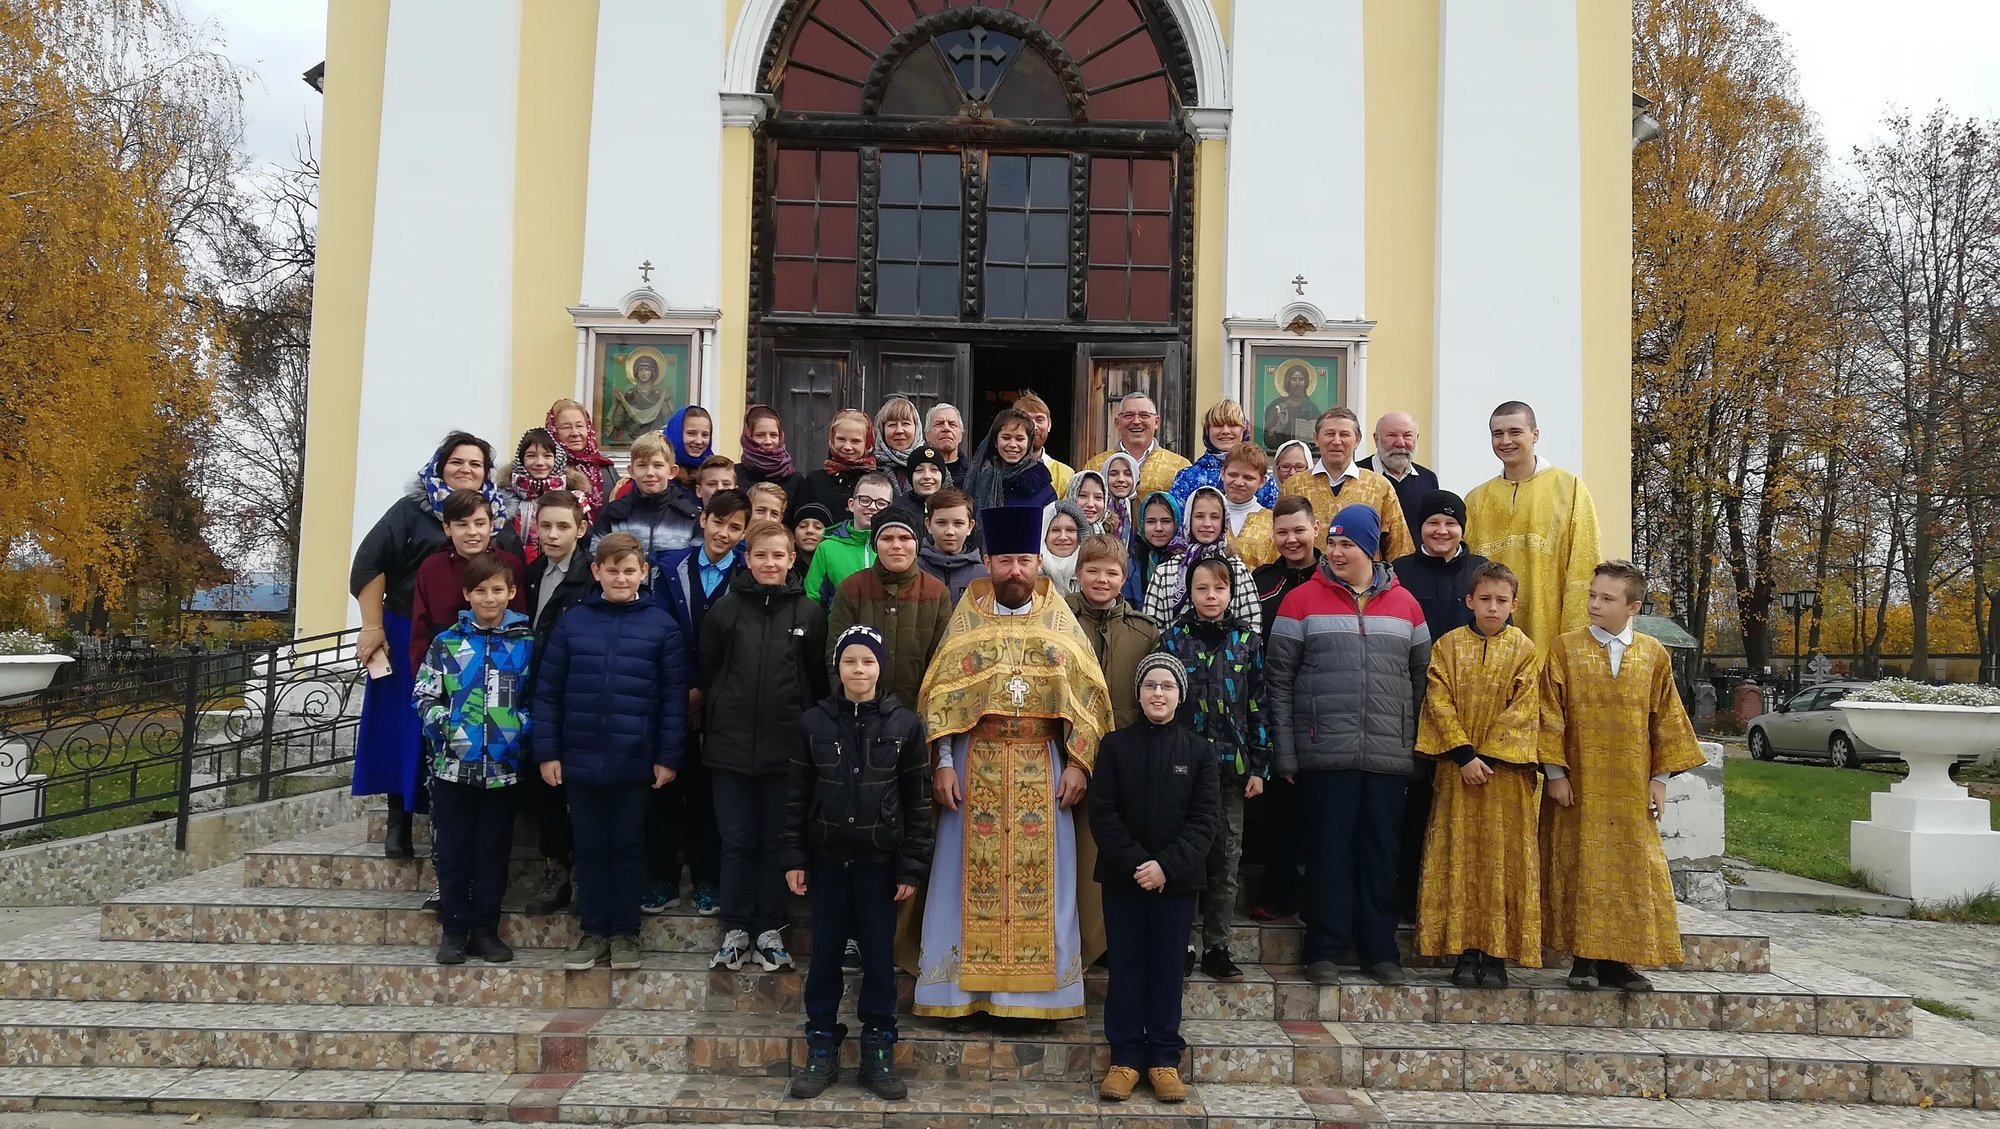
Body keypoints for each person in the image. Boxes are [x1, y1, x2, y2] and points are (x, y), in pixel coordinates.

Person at [907, 506, 1113, 1020]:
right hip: (974, 768)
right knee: (961, 883)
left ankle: (1033, 1001)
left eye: (1024, 559)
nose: (1014, 571)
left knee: (1047, 885)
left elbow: (1090, 699)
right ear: (986, 560)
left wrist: (1078, 765)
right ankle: (958, 995)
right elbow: (940, 702)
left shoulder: (1059, 621)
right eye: (1004, 561)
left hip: (1043, 767)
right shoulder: (967, 619)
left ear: (1040, 561)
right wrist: (944, 763)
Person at [1267, 504, 1430, 987]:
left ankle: (1379, 951)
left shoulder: (1408, 606)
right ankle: (1324, 948)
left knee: (1381, 853)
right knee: (1327, 852)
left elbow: (1422, 684)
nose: (1336, 552)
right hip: (1324, 752)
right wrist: (1286, 750)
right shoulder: (1301, 601)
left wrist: (1416, 748)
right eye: (1332, 543)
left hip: (1387, 754)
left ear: (1370, 548)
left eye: (1347, 544)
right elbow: (1278, 682)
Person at [351, 431, 521, 856]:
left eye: (476, 464)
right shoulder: (412, 511)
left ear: (486, 474)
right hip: (412, 631)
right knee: (405, 725)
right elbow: (370, 563)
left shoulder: (495, 519)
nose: (466, 470)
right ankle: (399, 820)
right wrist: (372, 627)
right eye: (457, 462)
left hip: (483, 647)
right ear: (440, 465)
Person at [782, 624, 933, 1102]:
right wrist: (793, 856)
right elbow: (795, 798)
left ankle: (878, 1050)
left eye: (868, 661)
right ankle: (821, 1045)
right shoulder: (813, 723)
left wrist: (910, 865)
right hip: (827, 861)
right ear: (838, 667)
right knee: (824, 956)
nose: (859, 670)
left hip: (880, 865)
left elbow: (918, 802)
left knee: (879, 961)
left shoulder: (904, 725)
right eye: (850, 661)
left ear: (880, 668)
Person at [1540, 560, 1704, 993]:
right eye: (1592, 594)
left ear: (1632, 607)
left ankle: (1620, 962)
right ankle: (1584, 959)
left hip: (1632, 783)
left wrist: (1660, 778)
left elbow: (1666, 720)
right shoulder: (1565, 648)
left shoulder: (1653, 655)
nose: (1594, 604)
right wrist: (1555, 772)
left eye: (1606, 598)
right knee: (1583, 864)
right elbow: (1548, 714)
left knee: (1631, 869)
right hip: (1581, 782)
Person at [532, 533, 686, 972]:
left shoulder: (662, 626)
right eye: (612, 570)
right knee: (590, 847)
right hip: (579, 761)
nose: (621, 577)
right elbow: (548, 693)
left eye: (629, 570)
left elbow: (672, 700)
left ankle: (625, 933)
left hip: (635, 761)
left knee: (628, 846)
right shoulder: (573, 623)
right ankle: (593, 931)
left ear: (644, 573)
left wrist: (667, 756)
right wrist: (548, 752)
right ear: (596, 572)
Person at [1089, 653, 1219, 1105]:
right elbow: (1102, 814)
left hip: (1176, 884)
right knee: (1125, 967)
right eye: (1150, 686)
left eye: (1167, 686)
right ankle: (1124, 1059)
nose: (1158, 694)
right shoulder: (1114, 746)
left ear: (1180, 694)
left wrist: (1166, 866)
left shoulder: (1200, 752)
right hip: (1124, 881)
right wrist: (1137, 865)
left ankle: (1164, 1060)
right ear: (1139, 692)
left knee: (1166, 970)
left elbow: (1204, 821)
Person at [700, 519, 829, 973]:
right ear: (747, 558)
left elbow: (817, 680)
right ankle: (736, 928)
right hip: (730, 750)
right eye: (760, 555)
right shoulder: (725, 611)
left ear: (792, 559)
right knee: (736, 841)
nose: (769, 563)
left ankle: (771, 928)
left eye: (779, 555)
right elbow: (709, 670)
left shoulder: (809, 615)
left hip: (787, 750)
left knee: (779, 840)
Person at [1415, 561, 1544, 988]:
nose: (1492, 607)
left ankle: (1497, 952)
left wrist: (1489, 756)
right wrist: (1465, 755)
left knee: (1501, 862)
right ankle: (1464, 950)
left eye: (1501, 601)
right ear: (1469, 600)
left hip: (1504, 777)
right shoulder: (1448, 647)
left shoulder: (1524, 650)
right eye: (1484, 599)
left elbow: (1525, 709)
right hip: (1458, 772)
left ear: (1514, 604)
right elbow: (1438, 699)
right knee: (1459, 857)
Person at [413, 553, 532, 966]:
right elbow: (424, 695)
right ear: (467, 594)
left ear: (511, 593)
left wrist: (519, 730)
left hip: (503, 769)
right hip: (453, 767)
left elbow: (537, 699)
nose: (489, 597)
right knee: (454, 849)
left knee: (492, 851)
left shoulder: (524, 645)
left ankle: (485, 929)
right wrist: (448, 728)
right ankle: (454, 929)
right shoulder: (447, 644)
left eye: (497, 589)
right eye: (480, 590)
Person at [1156, 556, 1268, 984]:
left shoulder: (1248, 642)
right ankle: (1181, 943)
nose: (1210, 597)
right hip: (1181, 771)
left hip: (1232, 771)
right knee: (1184, 859)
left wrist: (1260, 764)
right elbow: (1160, 703)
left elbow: (1258, 705)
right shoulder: (1172, 641)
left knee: (1226, 861)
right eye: (1202, 589)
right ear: (1190, 592)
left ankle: (1217, 946)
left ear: (1231, 593)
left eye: (1219, 589)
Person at [647, 491, 752, 916]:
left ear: (744, 533)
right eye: (718, 522)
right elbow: (660, 631)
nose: (724, 533)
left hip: (725, 701)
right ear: (703, 520)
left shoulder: (747, 574)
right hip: (672, 694)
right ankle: (662, 878)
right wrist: (685, 688)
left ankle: (709, 879)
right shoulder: (671, 568)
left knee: (713, 793)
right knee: (666, 786)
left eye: (734, 527)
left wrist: (707, 691)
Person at [1389, 489, 1488, 919]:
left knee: (1461, 813)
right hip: (1412, 704)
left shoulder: (1481, 572)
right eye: (1433, 523)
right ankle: (1408, 897)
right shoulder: (1399, 571)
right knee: (1412, 808)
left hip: (1470, 715)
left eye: (1450, 523)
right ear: (1420, 528)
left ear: (1462, 528)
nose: (1441, 531)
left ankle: (1459, 902)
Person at [1463, 401, 1603, 650]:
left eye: (1515, 432)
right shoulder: (1476, 500)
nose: (1506, 441)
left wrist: (1574, 641)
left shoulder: (1569, 489)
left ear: (1534, 434)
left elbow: (1584, 565)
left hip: (1548, 633)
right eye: (1498, 434)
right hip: (1489, 641)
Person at [1247, 495, 1319, 922]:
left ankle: (1316, 897)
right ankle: (1278, 893)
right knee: (1280, 809)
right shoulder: (1262, 580)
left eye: (1299, 530)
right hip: (1275, 703)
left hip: (1323, 706)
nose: (1291, 540)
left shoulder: (1335, 573)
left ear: (1315, 529)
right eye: (1283, 532)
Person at [520, 489, 592, 913]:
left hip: (577, 696)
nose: (552, 534)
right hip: (537, 694)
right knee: (545, 786)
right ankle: (555, 867)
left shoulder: (589, 578)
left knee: (577, 789)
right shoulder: (530, 575)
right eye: (544, 525)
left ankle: (583, 869)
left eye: (562, 526)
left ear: (580, 530)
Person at [826, 504, 951, 711]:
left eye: (904, 538)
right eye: (886, 539)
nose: (896, 545)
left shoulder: (936, 593)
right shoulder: (851, 589)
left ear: (917, 544)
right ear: (876, 545)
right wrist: (851, 704)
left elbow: (942, 661)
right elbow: (835, 653)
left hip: (916, 713)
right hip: (860, 711)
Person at [408, 488, 529, 673]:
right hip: (446, 670)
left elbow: (519, 622)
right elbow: (420, 630)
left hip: (501, 669)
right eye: (462, 525)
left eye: (479, 524)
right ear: (447, 528)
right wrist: (423, 679)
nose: (472, 532)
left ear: (491, 525)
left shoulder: (510, 564)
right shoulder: (431, 568)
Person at [1278, 407, 1414, 562]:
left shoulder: (1379, 487)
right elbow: (1279, 538)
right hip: (1306, 581)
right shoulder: (1294, 486)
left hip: (1365, 584)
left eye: (1344, 434)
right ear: (1316, 438)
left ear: (1357, 440)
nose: (1336, 441)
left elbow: (1399, 548)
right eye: (1329, 434)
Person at [1067, 534, 1159, 732]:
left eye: (1112, 573)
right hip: (1072, 741)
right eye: (1093, 571)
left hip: (1127, 741)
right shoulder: (1061, 622)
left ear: (1124, 578)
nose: (1102, 580)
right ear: (1078, 573)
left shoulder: (1144, 632)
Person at [1141, 487, 1261, 632]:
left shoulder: (1237, 570)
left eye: (1215, 517)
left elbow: (1253, 624)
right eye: (1199, 516)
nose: (1207, 523)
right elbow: (1151, 629)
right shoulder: (1166, 571)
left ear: (1224, 521)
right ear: (1188, 519)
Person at [593, 432, 700, 559]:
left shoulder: (690, 517)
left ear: (671, 471)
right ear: (632, 471)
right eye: (642, 465)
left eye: (658, 465)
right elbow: (597, 560)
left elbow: (696, 566)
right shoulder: (612, 515)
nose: (650, 473)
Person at [1169, 399, 1278, 512]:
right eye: (1217, 425)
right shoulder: (1188, 477)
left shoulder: (1267, 483)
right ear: (1207, 431)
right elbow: (1177, 525)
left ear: (1244, 430)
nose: (1225, 431)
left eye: (1233, 425)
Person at [803, 471, 894, 605]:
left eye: (881, 503)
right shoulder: (828, 548)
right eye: (865, 500)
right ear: (851, 504)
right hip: (840, 624)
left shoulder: (897, 547)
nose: (872, 507)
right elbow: (813, 599)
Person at [1085, 392, 1190, 501]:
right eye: (1128, 415)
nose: (1136, 421)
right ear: (1117, 423)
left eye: (1144, 415)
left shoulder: (1180, 467)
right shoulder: (1095, 467)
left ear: (1156, 422)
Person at [1357, 411, 1441, 534]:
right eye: (1391, 436)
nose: (1400, 443)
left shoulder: (1428, 478)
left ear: (1416, 438)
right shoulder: (1356, 475)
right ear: (1376, 439)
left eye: (1407, 436)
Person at [793, 408, 878, 523]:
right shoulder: (814, 481)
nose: (847, 447)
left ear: (868, 443)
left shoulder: (878, 482)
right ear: (832, 439)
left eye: (855, 441)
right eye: (841, 439)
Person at [964, 408, 1057, 511]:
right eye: (1006, 438)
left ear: (1029, 443)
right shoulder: (977, 478)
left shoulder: (1042, 488)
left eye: (1020, 439)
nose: (1013, 444)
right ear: (995, 441)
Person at [503, 427, 568, 561]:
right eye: (531, 456)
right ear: (521, 460)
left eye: (547, 456)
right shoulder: (504, 498)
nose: (539, 462)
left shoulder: (573, 498)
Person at [547, 399, 619, 512]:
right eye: (566, 427)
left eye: (580, 426)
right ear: (553, 431)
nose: (575, 433)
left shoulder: (607, 470)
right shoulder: (546, 471)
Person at [918, 487, 986, 604]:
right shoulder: (915, 570)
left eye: (958, 523)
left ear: (970, 526)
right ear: (928, 524)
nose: (950, 531)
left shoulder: (982, 575)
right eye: (941, 523)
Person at [1123, 492, 1185, 610]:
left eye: (1166, 521)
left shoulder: (1185, 562)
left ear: (1176, 522)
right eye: (1151, 521)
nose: (1158, 528)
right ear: (1142, 523)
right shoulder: (1131, 565)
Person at [1220, 445, 1276, 569]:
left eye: (1248, 478)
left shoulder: (1271, 522)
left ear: (1262, 481)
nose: (1239, 483)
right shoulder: (1207, 516)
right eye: (1233, 475)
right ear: (1223, 473)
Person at [737, 403, 803, 499]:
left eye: (773, 435)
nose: (768, 441)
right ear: (748, 437)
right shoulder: (735, 475)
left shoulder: (795, 480)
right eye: (760, 435)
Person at [1015, 390, 1074, 496]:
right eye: (1026, 419)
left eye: (1040, 419)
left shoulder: (1066, 474)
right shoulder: (997, 471)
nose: (1034, 427)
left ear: (1049, 424)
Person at [1261, 362, 1322, 450]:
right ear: (1288, 381)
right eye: (1294, 379)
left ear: (1306, 382)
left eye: (1301, 379)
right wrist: (1280, 425)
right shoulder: (1278, 408)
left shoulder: (1313, 410)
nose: (1297, 384)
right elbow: (1269, 441)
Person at [872, 396, 922, 494]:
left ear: (917, 428)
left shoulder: (932, 466)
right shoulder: (870, 467)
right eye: (892, 425)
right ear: (882, 431)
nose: (899, 430)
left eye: (906, 424)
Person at [1040, 501, 1086, 596]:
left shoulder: (1092, 571)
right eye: (1055, 530)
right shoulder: (1031, 573)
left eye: (1070, 530)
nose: (1063, 537)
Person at [663, 405, 714, 484]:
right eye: (691, 433)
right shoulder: (658, 471)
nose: (699, 441)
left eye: (704, 435)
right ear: (676, 434)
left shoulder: (715, 472)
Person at [1054, 469, 1109, 538]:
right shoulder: (1057, 533)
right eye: (1082, 496)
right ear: (1071, 495)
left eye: (1098, 497)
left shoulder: (1113, 532)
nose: (1090, 504)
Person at [925, 402, 969, 485]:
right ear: (927, 435)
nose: (946, 428)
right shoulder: (919, 475)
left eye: (952, 424)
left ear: (961, 435)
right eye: (939, 424)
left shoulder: (974, 476)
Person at [1102, 452, 1139, 543]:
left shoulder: (1143, 512)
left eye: (1128, 474)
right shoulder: (1097, 511)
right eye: (1113, 474)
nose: (1121, 479)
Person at [790, 502, 831, 583]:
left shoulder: (834, 568)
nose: (809, 531)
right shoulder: (785, 569)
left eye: (818, 527)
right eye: (803, 526)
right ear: (793, 536)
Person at [905, 444, 952, 509]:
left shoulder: (954, 508)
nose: (927, 476)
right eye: (919, 470)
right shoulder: (898, 510)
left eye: (934, 469)